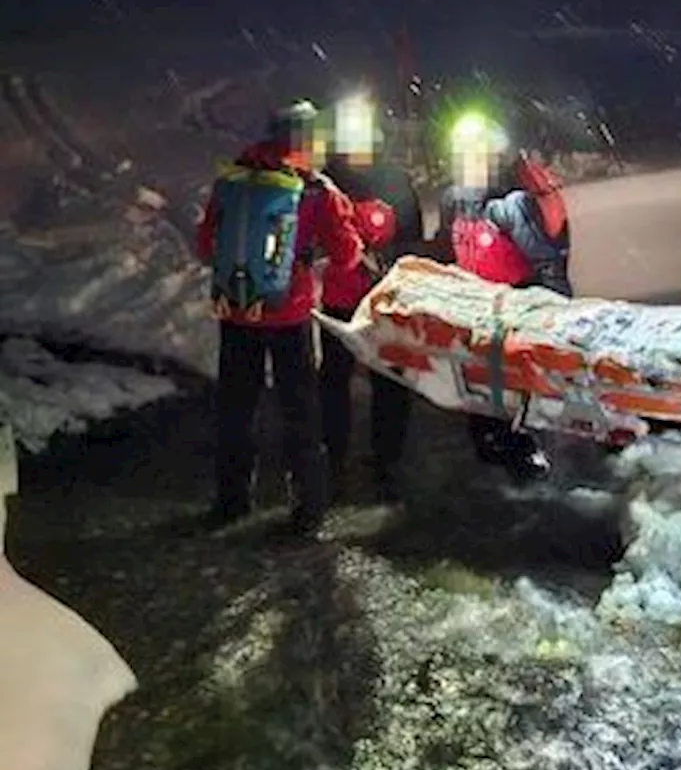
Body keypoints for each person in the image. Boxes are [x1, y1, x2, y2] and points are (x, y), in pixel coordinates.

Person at [195, 100, 364, 536]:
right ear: (308, 141)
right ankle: (308, 506)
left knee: (236, 408)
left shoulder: (234, 178)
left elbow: (204, 244)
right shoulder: (316, 190)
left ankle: (232, 500)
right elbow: (348, 255)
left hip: (238, 309)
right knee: (300, 411)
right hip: (288, 316)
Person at [425, 111, 572, 482]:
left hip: (516, 304)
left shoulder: (512, 204)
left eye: (478, 152)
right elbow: (447, 250)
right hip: (476, 306)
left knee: (514, 386)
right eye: (464, 152)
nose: (470, 159)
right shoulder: (453, 200)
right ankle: (493, 444)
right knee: (479, 386)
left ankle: (528, 456)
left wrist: (557, 312)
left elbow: (546, 260)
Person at [318, 104, 425, 505]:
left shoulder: (395, 180)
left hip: (385, 300)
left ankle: (387, 459)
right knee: (334, 380)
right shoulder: (326, 182)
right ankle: (334, 453)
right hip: (341, 298)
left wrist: (391, 259)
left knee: (390, 381)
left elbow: (413, 238)